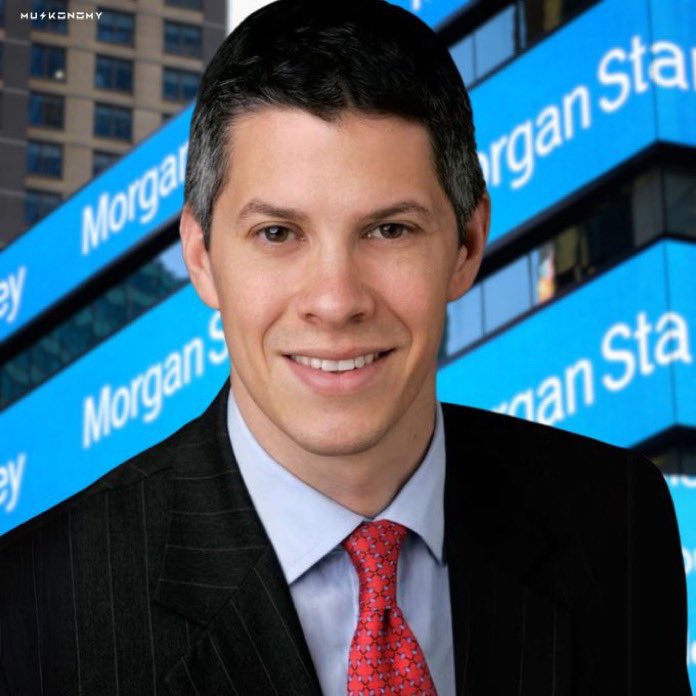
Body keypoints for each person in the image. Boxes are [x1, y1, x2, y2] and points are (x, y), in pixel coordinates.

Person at [0, 1, 690, 694]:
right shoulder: (33, 611)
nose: (335, 301)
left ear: (467, 245)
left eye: (389, 230)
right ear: (202, 258)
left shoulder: (617, 523)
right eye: (278, 234)